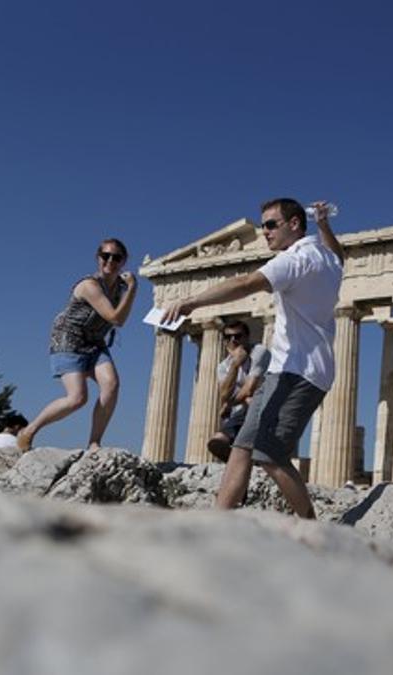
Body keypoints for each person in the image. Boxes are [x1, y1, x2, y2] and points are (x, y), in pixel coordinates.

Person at [163, 199, 343, 518]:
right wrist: (325, 226)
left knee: (269, 452)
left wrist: (192, 303)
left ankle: (312, 527)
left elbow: (246, 283)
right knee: (243, 444)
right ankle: (220, 519)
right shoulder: (327, 259)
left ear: (295, 225)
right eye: (263, 225)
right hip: (284, 368)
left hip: (300, 372)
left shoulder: (294, 261)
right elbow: (340, 255)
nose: (265, 231)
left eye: (272, 224)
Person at [17, 238, 138, 451]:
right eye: (105, 256)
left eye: (116, 257)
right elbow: (116, 318)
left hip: (94, 342)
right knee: (77, 398)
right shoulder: (89, 286)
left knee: (111, 384)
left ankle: (94, 442)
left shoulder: (120, 287)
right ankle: (29, 430)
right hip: (68, 340)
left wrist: (128, 291)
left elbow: (122, 320)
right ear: (97, 258)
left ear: (124, 261)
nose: (110, 261)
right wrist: (133, 290)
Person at [207, 319, 271, 462]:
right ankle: (241, 459)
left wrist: (229, 404)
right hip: (242, 411)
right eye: (228, 337)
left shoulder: (259, 352)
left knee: (251, 400)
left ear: (247, 337)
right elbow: (224, 395)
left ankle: (245, 457)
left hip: (266, 404)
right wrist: (235, 366)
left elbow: (249, 389)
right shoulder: (224, 366)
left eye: (238, 336)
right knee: (217, 440)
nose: (233, 340)